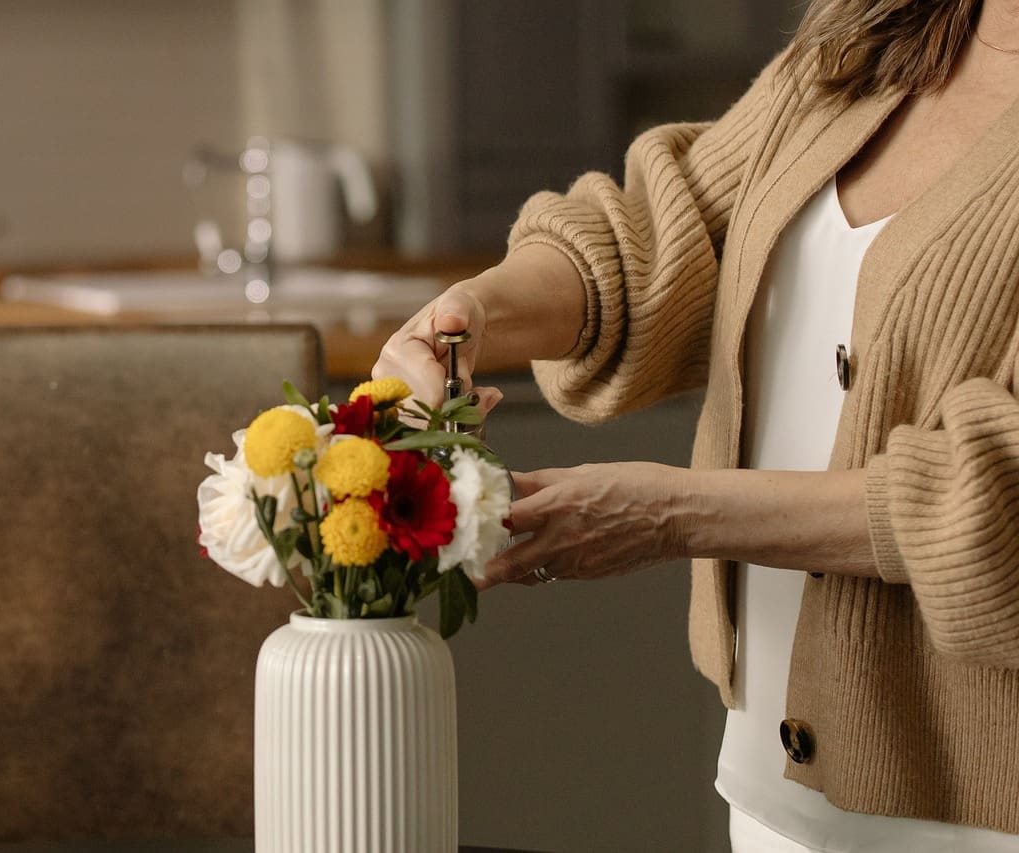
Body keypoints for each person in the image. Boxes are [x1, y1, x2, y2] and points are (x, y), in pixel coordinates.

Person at [372, 0, 1019, 850]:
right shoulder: (883, 24)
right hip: (776, 787)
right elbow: (665, 230)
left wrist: (674, 514)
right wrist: (475, 314)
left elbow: (1000, 491)